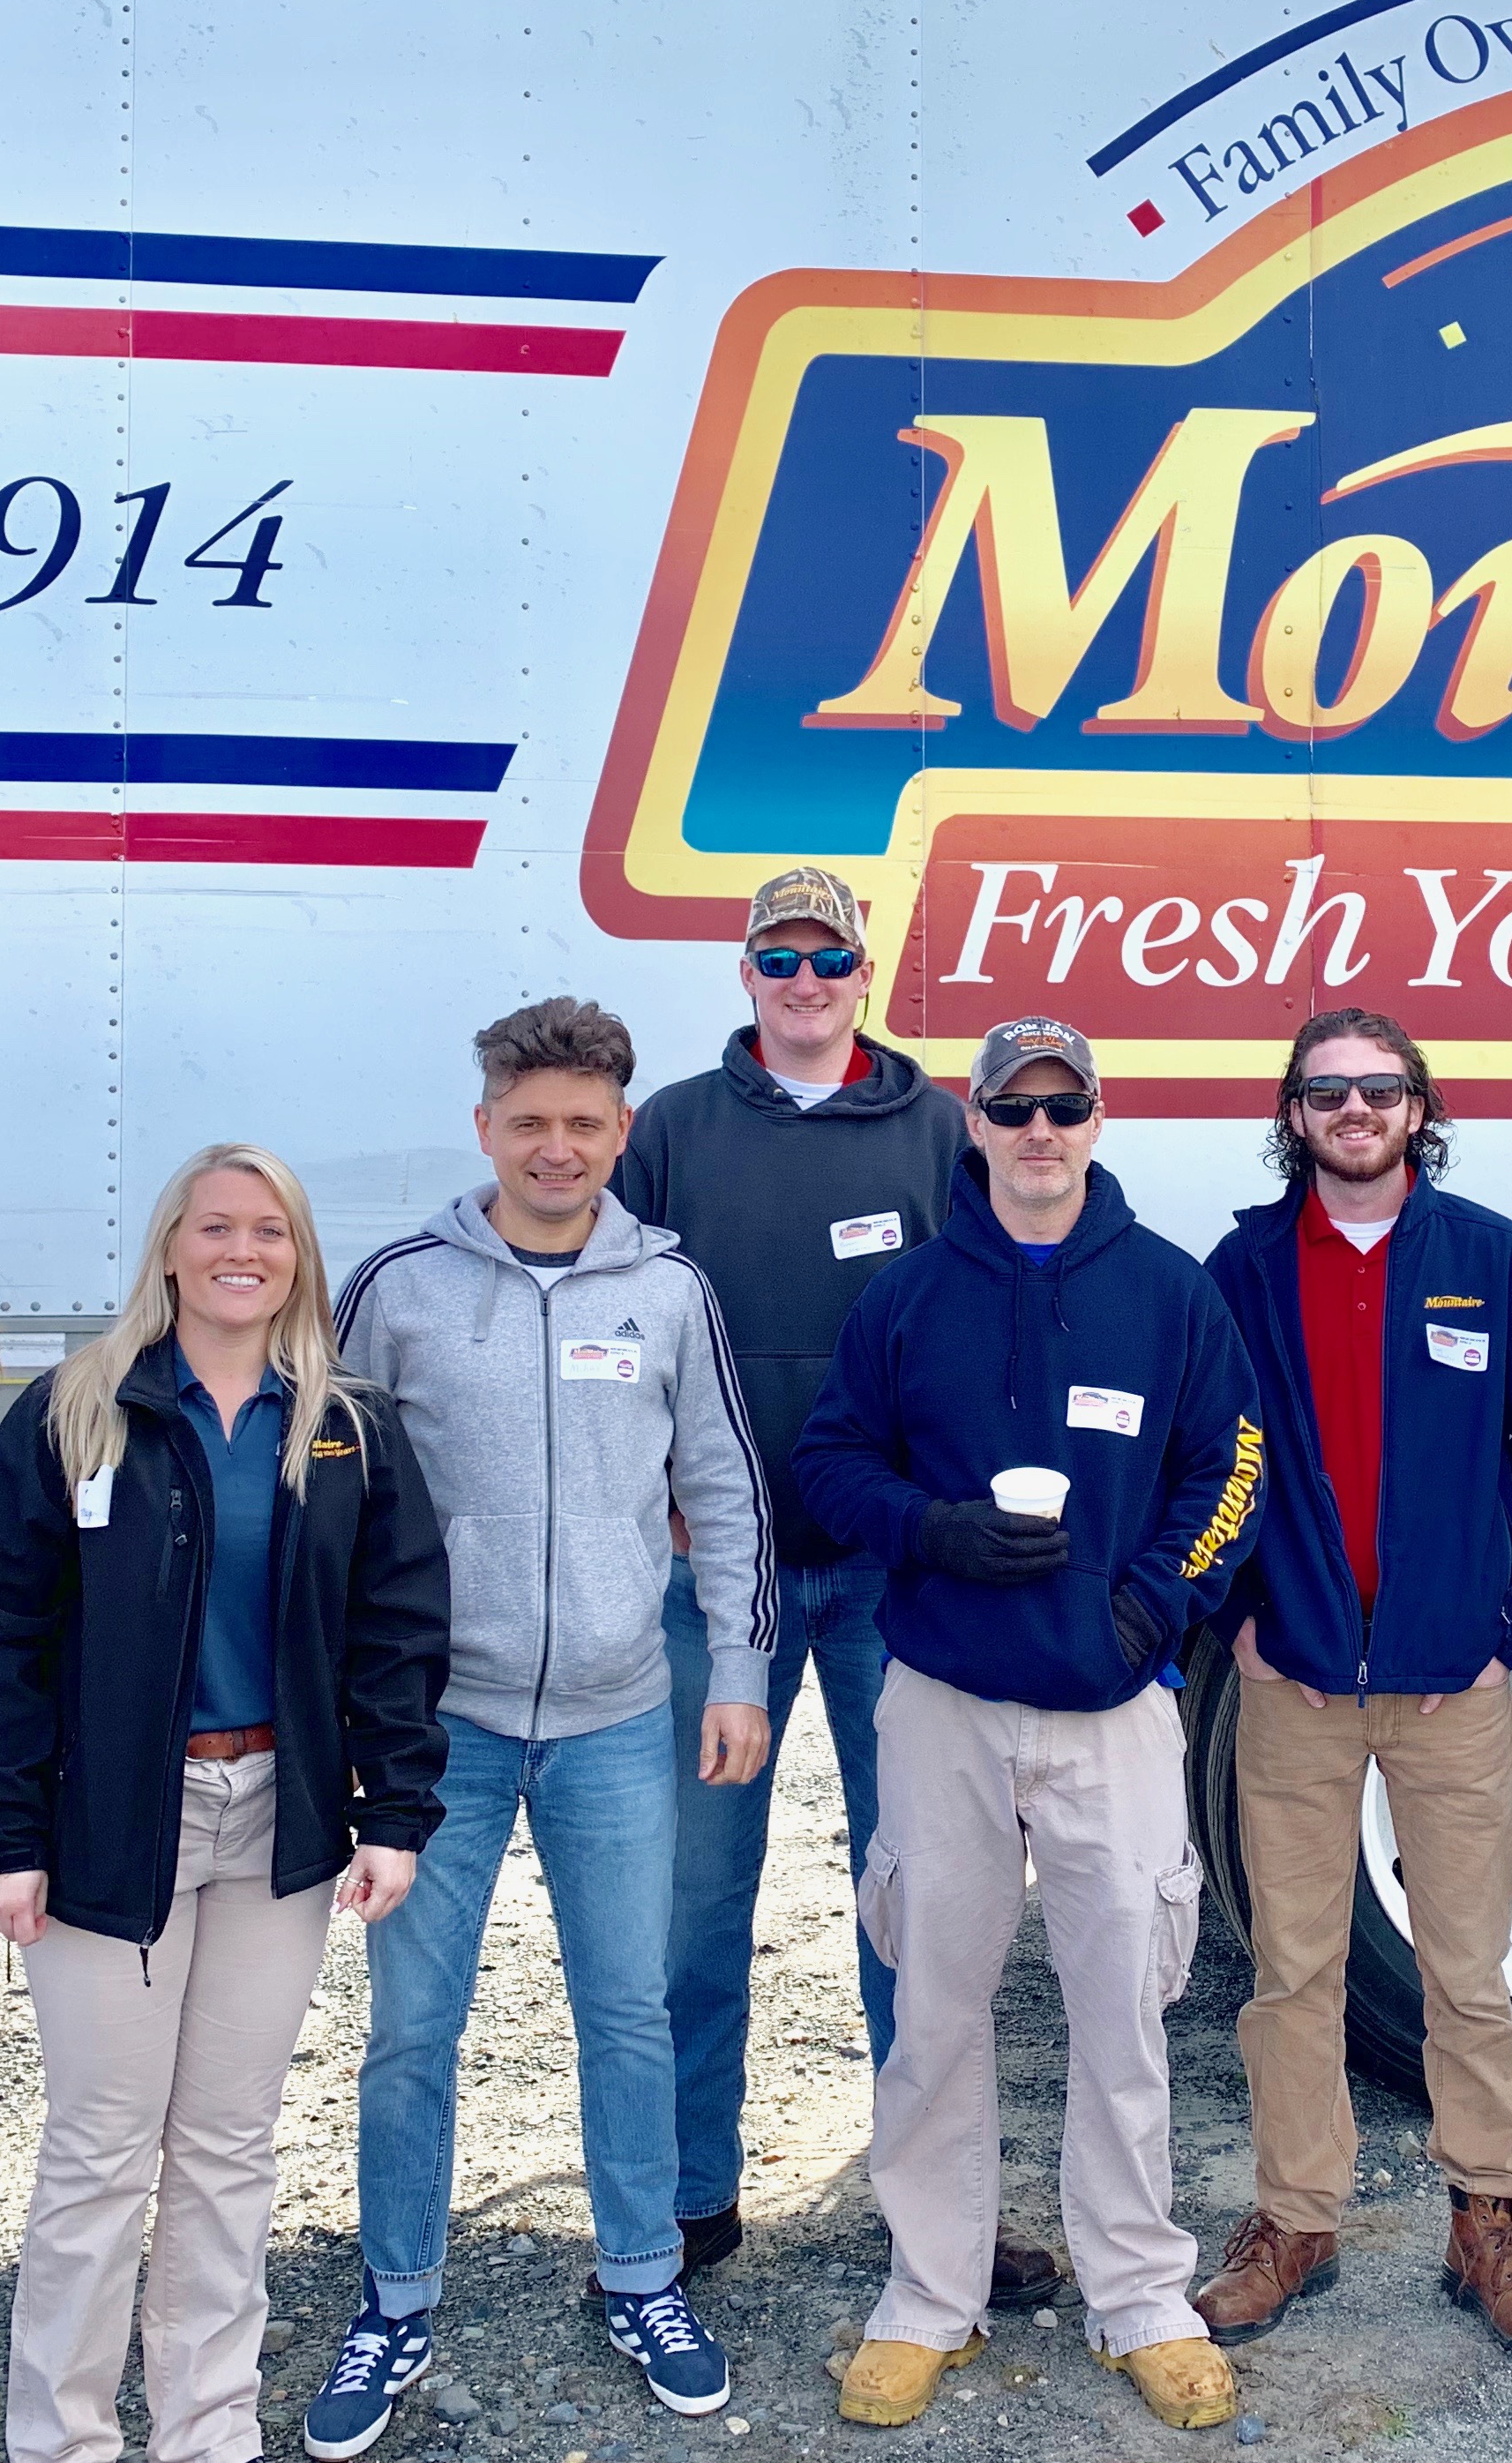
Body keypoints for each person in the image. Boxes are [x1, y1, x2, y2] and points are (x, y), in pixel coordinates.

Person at [306, 998, 775, 2457]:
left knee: (627, 2013)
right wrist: (344, 1707)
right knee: (414, 2028)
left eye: (583, 1123)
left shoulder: (670, 1291)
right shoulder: (400, 1287)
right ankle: (395, 2300)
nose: (555, 1147)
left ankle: (643, 2276)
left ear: (621, 1131)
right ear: (485, 1128)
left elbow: (725, 1485)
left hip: (620, 1720)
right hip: (438, 1731)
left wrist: (741, 1669)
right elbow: (327, 1496)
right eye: (529, 1123)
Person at [0, 1145, 452, 2463]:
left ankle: (208, 2428)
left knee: (229, 2145)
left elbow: (396, 1627)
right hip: (114, 1824)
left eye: (270, 1231)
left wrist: (394, 1811)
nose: (243, 1251)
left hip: (278, 1817)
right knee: (100, 2151)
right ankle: (60, 2437)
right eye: (215, 1226)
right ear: (168, 1247)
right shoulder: (78, 1411)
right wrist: (1, 1835)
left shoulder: (344, 1424)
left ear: (300, 1257)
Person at [796, 1016, 1267, 2436]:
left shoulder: (1171, 1292)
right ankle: (927, 2297)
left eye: (1065, 1107)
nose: (1040, 1132)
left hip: (1111, 1709)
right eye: (1014, 1108)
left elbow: (1232, 1466)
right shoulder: (909, 1295)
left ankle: (1141, 2298)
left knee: (1123, 2013)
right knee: (934, 2011)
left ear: (1099, 1121)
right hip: (943, 1703)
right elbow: (830, 1459)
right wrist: (927, 1530)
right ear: (978, 1126)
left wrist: (1159, 1605)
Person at [610, 868, 1059, 2302]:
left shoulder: (939, 1130)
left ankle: (938, 2203)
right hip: (718, 1582)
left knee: (919, 1896)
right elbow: (614, 1321)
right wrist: (651, 1490)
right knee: (695, 1898)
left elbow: (998, 1318)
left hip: (890, 1577)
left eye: (829, 958)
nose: (804, 980)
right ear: (745, 971)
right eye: (779, 956)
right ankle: (687, 2196)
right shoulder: (671, 1129)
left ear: (868, 972)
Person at [1192, 1011, 1512, 2364]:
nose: (1355, 1109)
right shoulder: (1246, 1269)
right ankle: (1295, 2220)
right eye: (1329, 1092)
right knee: (1291, 1972)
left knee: (1467, 1974)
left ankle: (1487, 2221)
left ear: (1419, 1108)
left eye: (1380, 1088)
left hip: (1453, 1692)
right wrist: (1239, 1614)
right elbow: (1206, 1453)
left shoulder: (1491, 1259)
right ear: (1293, 1115)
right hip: (1297, 1687)